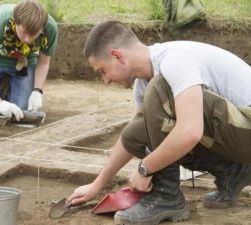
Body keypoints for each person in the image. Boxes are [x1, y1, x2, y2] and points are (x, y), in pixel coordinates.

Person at [68, 20, 251, 225]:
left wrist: (145, 168)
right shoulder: (143, 83)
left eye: (102, 71)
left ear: (117, 56)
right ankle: (233, 171)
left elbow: (191, 131)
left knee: (160, 89)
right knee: (134, 134)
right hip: (239, 136)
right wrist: (97, 184)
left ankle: (167, 197)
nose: (106, 80)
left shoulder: (174, 60)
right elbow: (134, 136)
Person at [0, 0, 58, 121]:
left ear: (42, 29)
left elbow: (43, 62)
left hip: (25, 61)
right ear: (15, 22)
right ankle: (2, 88)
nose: (27, 40)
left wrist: (37, 91)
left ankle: (9, 89)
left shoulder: (50, 28)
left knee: (21, 112)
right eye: (24, 33)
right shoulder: (0, 23)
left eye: (33, 34)